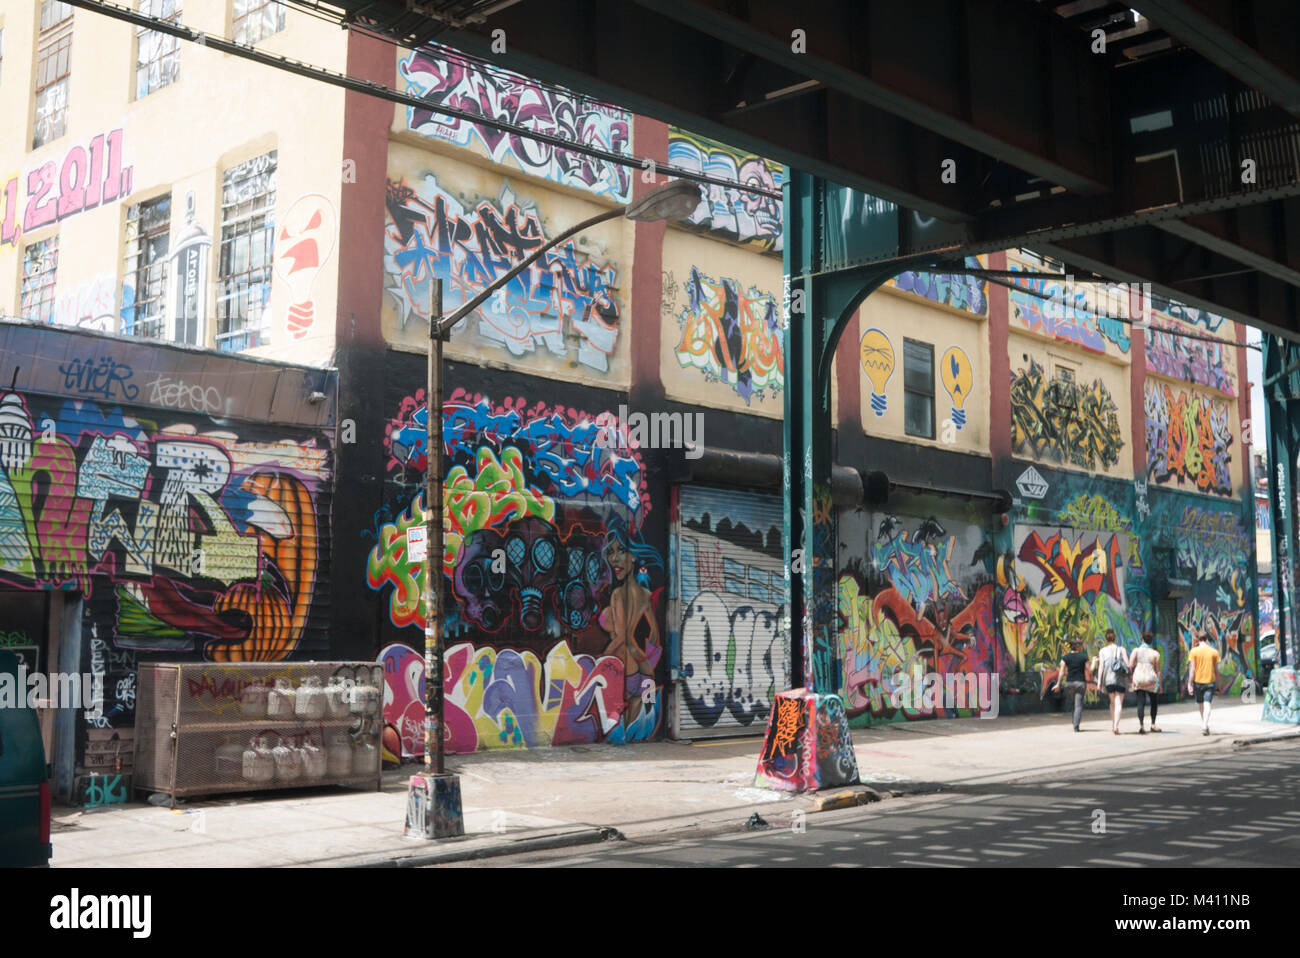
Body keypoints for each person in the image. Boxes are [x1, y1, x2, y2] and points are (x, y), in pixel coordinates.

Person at [1091, 629, 1128, 735]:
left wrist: (1099, 683)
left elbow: (1101, 667)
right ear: (1115, 638)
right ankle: (1116, 726)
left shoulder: (1102, 651)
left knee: (1112, 703)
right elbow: (1128, 664)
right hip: (1120, 679)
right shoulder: (1122, 649)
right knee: (1119, 703)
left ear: (1106, 639)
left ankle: (1113, 725)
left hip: (1108, 680)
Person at [1052, 638, 1092, 731]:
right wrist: (1094, 662)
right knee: (1078, 705)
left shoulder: (1065, 657)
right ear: (1078, 646)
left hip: (1069, 684)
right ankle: (1076, 725)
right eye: (1081, 645)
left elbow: (1061, 672)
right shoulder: (1084, 657)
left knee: (1074, 704)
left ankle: (1075, 721)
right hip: (1080, 683)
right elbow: (1090, 670)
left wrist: (1058, 684)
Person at [1186, 631, 1222, 736]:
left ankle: (1204, 724)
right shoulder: (1214, 652)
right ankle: (1205, 724)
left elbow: (1192, 669)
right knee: (1207, 704)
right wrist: (1218, 684)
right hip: (1210, 682)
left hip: (1198, 682)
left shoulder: (1194, 652)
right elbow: (1216, 670)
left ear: (1198, 639)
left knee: (1201, 704)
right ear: (1207, 639)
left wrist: (1189, 683)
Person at [1129, 631, 1162, 734]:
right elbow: (1158, 670)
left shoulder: (1136, 651)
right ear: (1151, 641)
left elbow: (1130, 664)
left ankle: (1142, 726)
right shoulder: (1155, 653)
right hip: (1151, 679)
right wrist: (1159, 684)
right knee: (1154, 702)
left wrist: (1133, 675)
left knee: (1140, 702)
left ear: (1142, 640)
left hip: (1139, 678)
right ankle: (1153, 724)